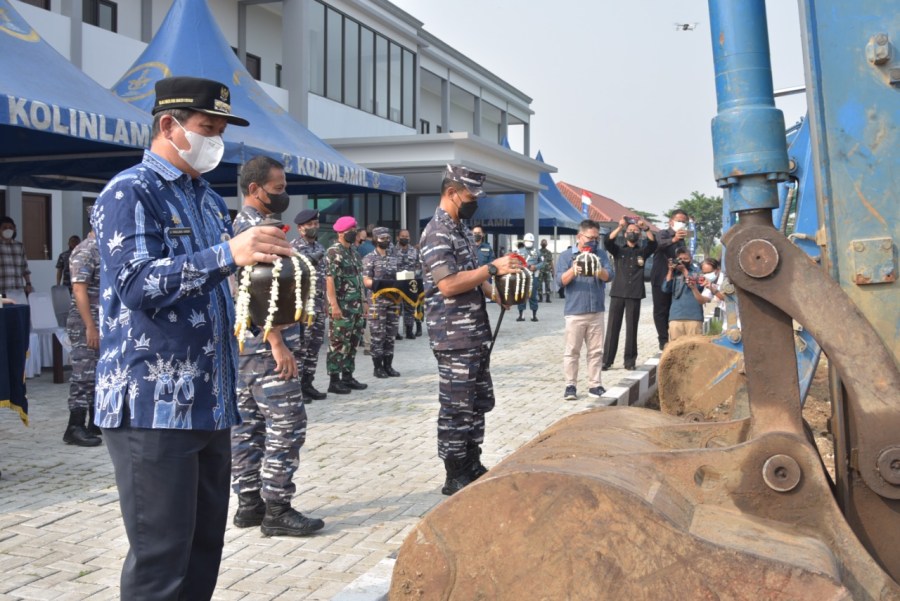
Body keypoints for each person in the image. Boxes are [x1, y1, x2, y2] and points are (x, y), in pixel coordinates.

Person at [92, 76, 294, 600]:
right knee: (161, 561)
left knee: (203, 551)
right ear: (169, 124)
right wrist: (229, 253)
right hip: (154, 404)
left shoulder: (204, 197)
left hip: (211, 399)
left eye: (222, 131)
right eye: (208, 128)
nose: (216, 141)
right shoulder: (130, 191)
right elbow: (136, 283)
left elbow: (215, 279)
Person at [230, 155, 324, 538]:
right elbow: (256, 288)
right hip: (267, 347)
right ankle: (277, 510)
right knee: (287, 424)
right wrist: (277, 343)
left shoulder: (238, 226)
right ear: (255, 189)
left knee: (248, 426)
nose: (283, 194)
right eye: (279, 188)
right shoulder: (258, 231)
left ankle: (249, 504)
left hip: (244, 347)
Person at [420, 164, 520, 496]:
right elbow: (448, 284)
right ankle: (454, 472)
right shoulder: (437, 232)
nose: (475, 202)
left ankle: (472, 461)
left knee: (478, 401)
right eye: (471, 196)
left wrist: (496, 294)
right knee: (456, 406)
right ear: (451, 193)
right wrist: (492, 268)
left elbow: (473, 276)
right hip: (453, 336)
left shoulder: (460, 229)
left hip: (474, 332)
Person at [555, 219, 614, 401]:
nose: (593, 241)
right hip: (575, 311)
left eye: (597, 238)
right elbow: (559, 281)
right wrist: (574, 269)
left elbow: (609, 276)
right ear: (579, 236)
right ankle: (570, 386)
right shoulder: (566, 256)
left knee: (596, 351)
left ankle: (595, 385)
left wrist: (597, 269)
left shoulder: (601, 254)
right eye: (590, 238)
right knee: (572, 351)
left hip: (596, 310)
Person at [63, 231, 101, 447]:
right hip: (86, 322)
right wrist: (90, 326)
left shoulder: (106, 247)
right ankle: (74, 426)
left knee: (100, 372)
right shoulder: (86, 250)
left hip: (102, 321)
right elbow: (78, 289)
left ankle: (96, 421)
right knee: (84, 373)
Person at [603, 216, 657, 371]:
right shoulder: (618, 250)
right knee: (613, 327)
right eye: (630, 230)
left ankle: (630, 361)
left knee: (632, 328)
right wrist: (620, 226)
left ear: (639, 235)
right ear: (625, 234)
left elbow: (653, 244)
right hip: (618, 292)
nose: (633, 232)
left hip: (634, 293)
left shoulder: (642, 251)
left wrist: (645, 228)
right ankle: (607, 361)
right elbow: (608, 241)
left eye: (635, 231)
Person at [325, 216, 368, 394]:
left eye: (354, 230)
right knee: (338, 342)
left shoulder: (354, 253)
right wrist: (334, 305)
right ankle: (334, 381)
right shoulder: (334, 252)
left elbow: (359, 279)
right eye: (351, 231)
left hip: (356, 306)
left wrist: (364, 301)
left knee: (352, 342)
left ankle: (348, 377)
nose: (354, 233)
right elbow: (329, 279)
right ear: (341, 232)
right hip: (342, 307)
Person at [291, 209, 328, 401]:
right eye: (310, 225)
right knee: (301, 347)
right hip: (303, 306)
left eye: (316, 224)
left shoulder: (320, 247)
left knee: (315, 346)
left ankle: (308, 384)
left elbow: (325, 278)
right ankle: (296, 388)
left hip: (319, 304)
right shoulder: (293, 249)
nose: (314, 227)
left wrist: (327, 302)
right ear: (300, 228)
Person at [363, 227, 402, 378]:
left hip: (393, 301)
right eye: (382, 238)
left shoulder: (394, 258)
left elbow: (400, 276)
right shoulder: (369, 258)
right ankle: (378, 367)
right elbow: (366, 281)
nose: (386, 241)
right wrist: (381, 284)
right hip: (377, 302)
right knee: (378, 335)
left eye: (387, 238)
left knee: (391, 335)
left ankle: (388, 366)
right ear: (375, 239)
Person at [650, 209, 690, 350]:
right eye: (679, 221)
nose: (681, 224)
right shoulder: (662, 234)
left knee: (672, 309)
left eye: (684, 222)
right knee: (660, 310)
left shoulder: (682, 240)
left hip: (676, 280)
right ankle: (663, 341)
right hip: (661, 277)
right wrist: (674, 239)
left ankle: (673, 338)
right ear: (671, 221)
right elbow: (659, 245)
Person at [663, 247, 707, 342]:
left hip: (694, 317)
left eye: (685, 259)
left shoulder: (697, 271)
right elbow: (665, 289)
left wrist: (684, 271)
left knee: (694, 347)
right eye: (680, 259)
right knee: (676, 347)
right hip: (676, 317)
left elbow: (699, 287)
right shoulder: (674, 272)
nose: (682, 261)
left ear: (690, 259)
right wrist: (670, 270)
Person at [392, 228, 421, 339]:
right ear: (398, 238)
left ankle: (409, 330)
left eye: (407, 236)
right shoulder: (392, 251)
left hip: (410, 283)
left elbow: (418, 265)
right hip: (397, 283)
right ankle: (395, 332)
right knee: (396, 307)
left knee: (410, 307)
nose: (405, 238)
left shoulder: (414, 251)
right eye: (403, 236)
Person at [0, 216, 32, 298]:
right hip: (2, 291)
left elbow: (24, 268)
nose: (8, 230)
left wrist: (28, 284)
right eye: (4, 228)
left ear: (14, 229)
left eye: (10, 227)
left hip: (17, 291)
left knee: (18, 307)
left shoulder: (19, 246)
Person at [516, 233, 542, 322]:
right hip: (522, 276)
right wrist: (520, 266)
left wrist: (536, 267)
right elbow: (515, 262)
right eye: (527, 241)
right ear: (524, 241)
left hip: (533, 276)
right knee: (521, 295)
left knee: (533, 295)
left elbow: (542, 262)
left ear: (533, 242)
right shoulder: (519, 251)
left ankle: (533, 315)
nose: (529, 242)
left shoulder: (537, 251)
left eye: (530, 241)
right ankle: (521, 315)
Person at [700, 257, 727, 322]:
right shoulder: (709, 282)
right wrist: (694, 288)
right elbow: (704, 299)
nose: (707, 275)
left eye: (709, 272)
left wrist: (713, 290)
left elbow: (727, 298)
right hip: (726, 317)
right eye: (704, 273)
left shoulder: (726, 280)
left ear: (717, 270)